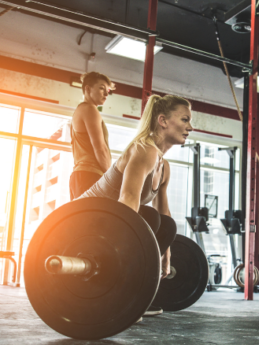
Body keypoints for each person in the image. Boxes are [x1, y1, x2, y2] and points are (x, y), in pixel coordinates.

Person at [77, 95, 192, 316]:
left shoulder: (164, 166)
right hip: (80, 220)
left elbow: (164, 215)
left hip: (106, 221)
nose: (190, 127)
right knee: (147, 217)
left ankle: (134, 294)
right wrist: (121, 259)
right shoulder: (144, 150)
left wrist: (165, 254)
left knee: (164, 222)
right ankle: (122, 293)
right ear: (163, 120)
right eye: (185, 119)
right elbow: (127, 201)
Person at [69, 72, 115, 200]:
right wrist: (112, 179)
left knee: (81, 214)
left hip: (80, 176)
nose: (106, 94)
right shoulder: (90, 109)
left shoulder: (79, 111)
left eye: (107, 90)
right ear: (88, 89)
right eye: (101, 88)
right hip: (90, 175)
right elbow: (100, 149)